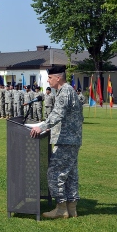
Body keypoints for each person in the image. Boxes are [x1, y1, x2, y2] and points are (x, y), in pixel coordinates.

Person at [30, 65, 83, 219]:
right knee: (70, 174)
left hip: (66, 140)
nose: (48, 80)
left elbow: (58, 114)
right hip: (70, 139)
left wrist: (42, 127)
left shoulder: (65, 91)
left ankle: (61, 208)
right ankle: (71, 208)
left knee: (55, 173)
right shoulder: (67, 91)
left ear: (58, 77)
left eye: (50, 77)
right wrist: (49, 129)